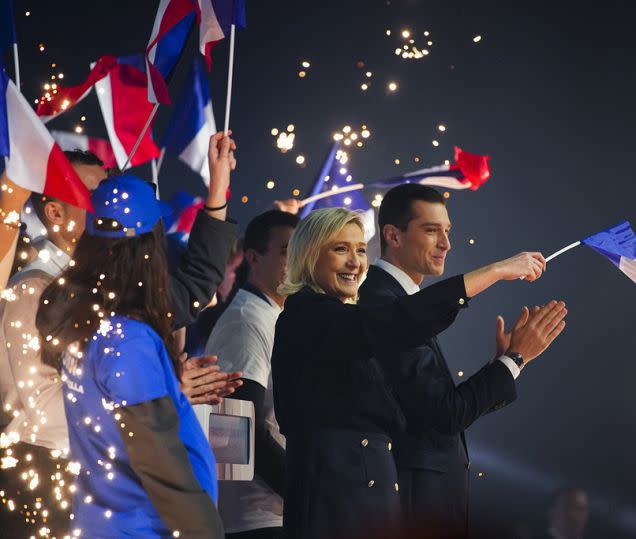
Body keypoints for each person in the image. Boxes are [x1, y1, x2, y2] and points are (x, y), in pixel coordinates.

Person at [271, 207, 567, 539]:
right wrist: (495, 272)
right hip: (336, 505)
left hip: (369, 502)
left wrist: (509, 362)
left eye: (359, 250)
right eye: (340, 249)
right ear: (309, 256)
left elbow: (431, 412)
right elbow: (398, 323)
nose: (355, 261)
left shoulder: (343, 319)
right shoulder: (308, 316)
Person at [0, 134, 241, 535]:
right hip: (50, 483)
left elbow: (192, 287)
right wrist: (158, 389)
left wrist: (217, 188)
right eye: (94, 195)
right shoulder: (36, 288)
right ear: (55, 213)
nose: (110, 204)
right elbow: (39, 408)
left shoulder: (113, 292)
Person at [359, 184, 564, 533]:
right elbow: (446, 412)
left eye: (448, 231)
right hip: (412, 505)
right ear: (392, 235)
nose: (446, 244)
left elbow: (434, 404)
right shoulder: (382, 301)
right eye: (431, 230)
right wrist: (514, 359)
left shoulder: (399, 300)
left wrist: (507, 363)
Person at [206, 209, 299, 538]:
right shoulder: (246, 320)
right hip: (257, 518)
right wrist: (304, 493)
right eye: (289, 251)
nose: (300, 261)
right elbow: (237, 432)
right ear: (254, 257)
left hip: (276, 513)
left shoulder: (275, 316)